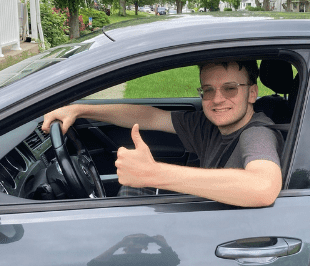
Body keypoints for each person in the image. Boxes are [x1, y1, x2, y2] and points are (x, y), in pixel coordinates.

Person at [42, 61, 284, 207]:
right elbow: (150, 117)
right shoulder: (208, 125)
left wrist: (154, 174)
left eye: (230, 88)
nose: (217, 99)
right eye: (208, 90)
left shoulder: (257, 133)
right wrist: (79, 110)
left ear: (252, 93)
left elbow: (263, 187)